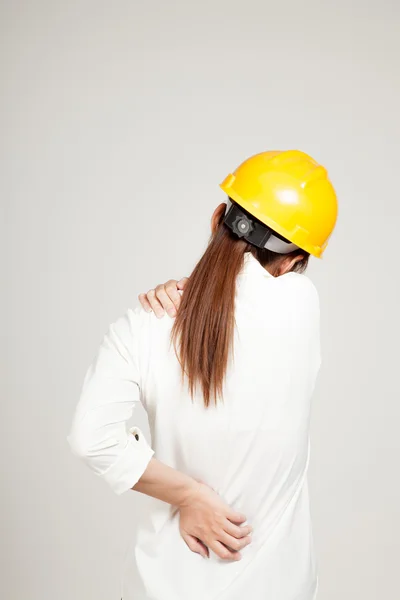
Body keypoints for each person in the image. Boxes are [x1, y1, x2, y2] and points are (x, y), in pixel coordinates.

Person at [67, 150, 338, 600]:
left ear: (217, 217)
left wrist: (189, 496)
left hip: (169, 584)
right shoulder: (302, 307)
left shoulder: (144, 324)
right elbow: (242, 293)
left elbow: (89, 438)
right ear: (293, 262)